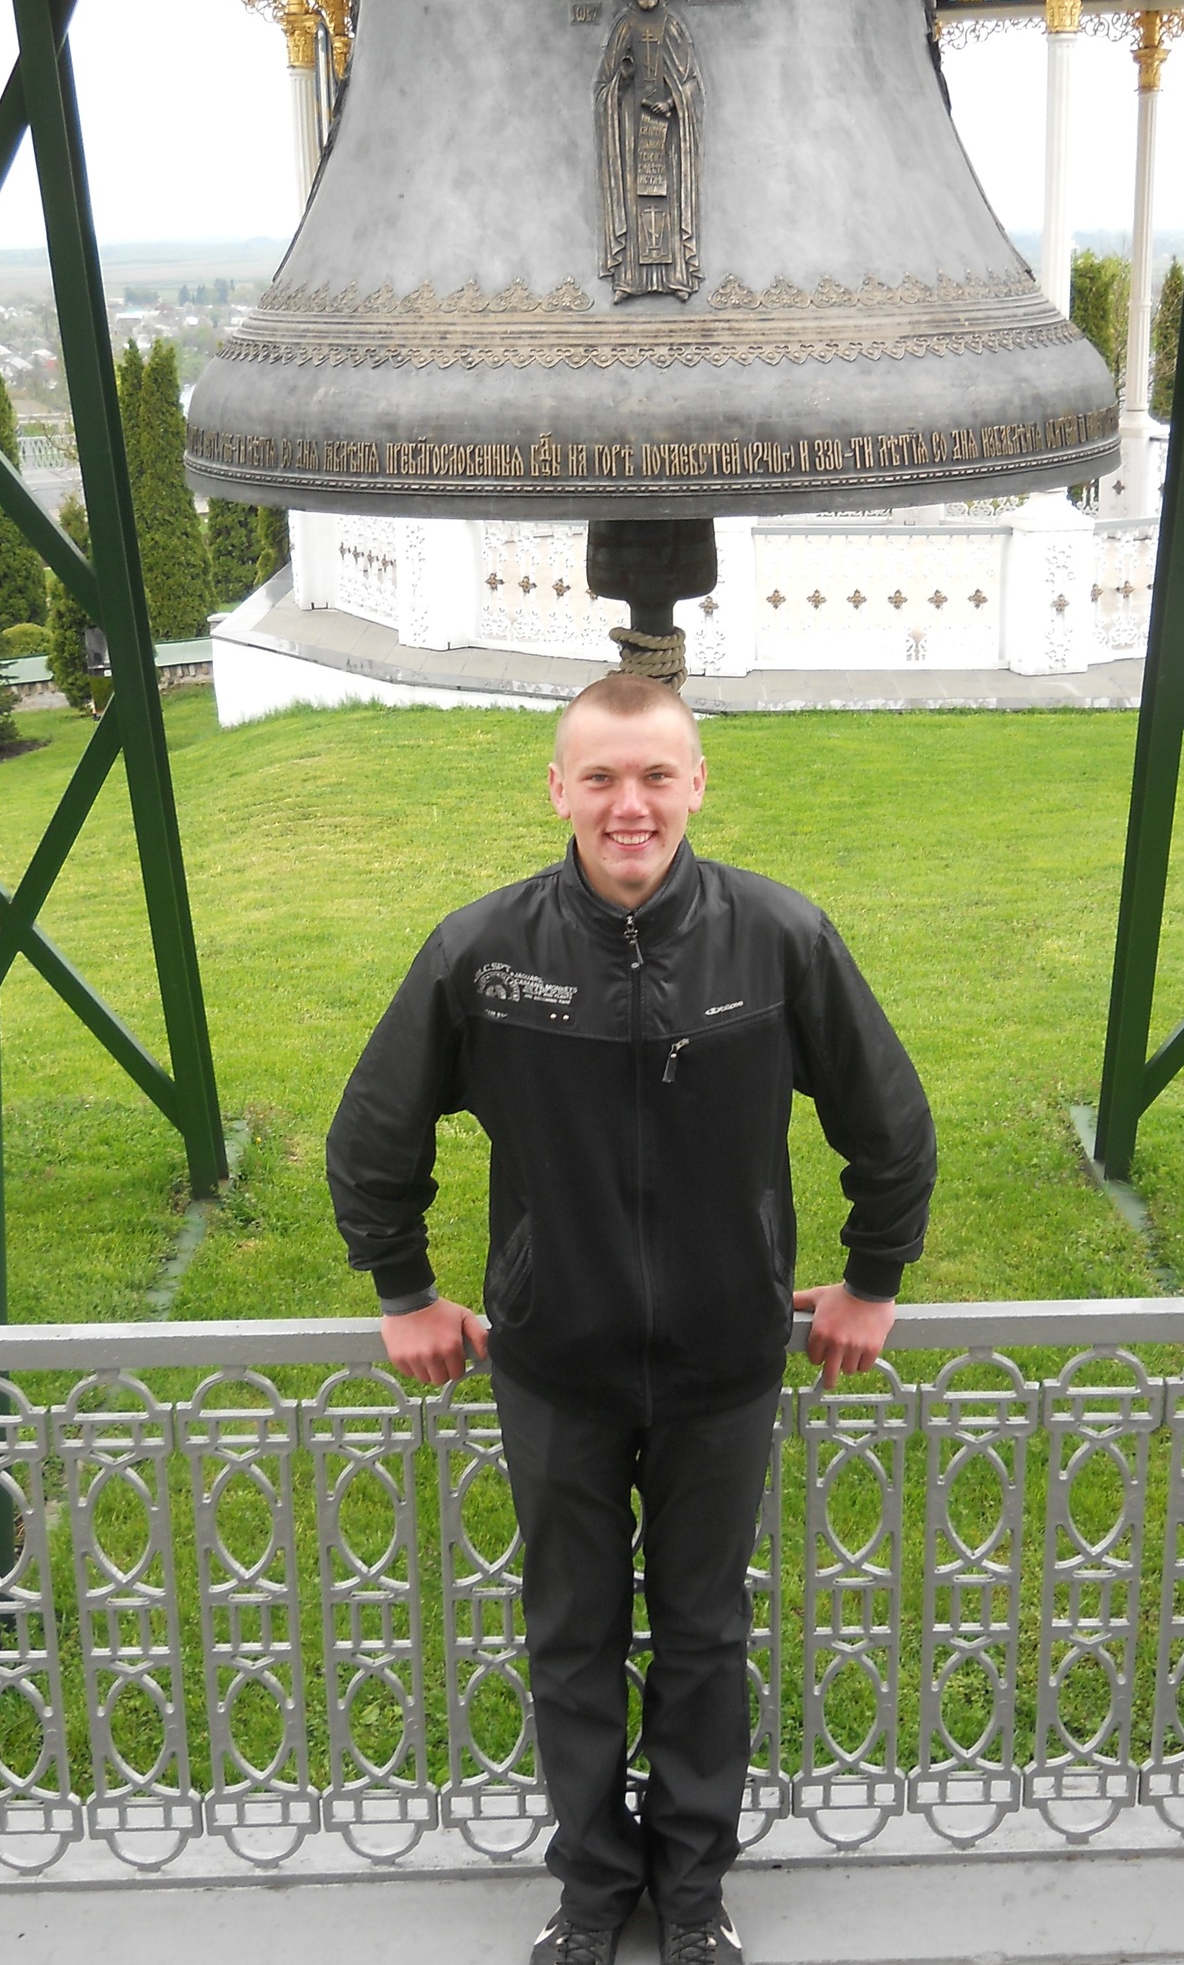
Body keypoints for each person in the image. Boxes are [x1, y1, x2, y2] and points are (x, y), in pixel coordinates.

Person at [327, 674, 935, 1965]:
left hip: (724, 1364)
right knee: (573, 1638)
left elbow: (889, 1124)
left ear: (697, 783)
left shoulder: (778, 940)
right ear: (557, 788)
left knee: (705, 1637)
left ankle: (694, 1892)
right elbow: (375, 1133)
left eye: (656, 774)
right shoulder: (484, 954)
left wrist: (873, 1279)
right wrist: (402, 1289)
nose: (629, 805)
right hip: (556, 1366)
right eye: (600, 777)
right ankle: (596, 1890)